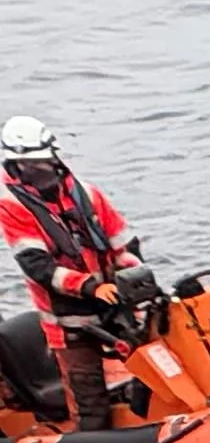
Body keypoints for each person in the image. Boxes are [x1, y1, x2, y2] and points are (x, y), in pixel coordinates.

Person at [3, 119, 150, 427]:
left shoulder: (86, 193)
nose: (40, 171)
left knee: (151, 370)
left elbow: (123, 242)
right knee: (90, 406)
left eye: (44, 163)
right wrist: (89, 287)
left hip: (114, 307)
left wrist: (131, 279)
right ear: (16, 167)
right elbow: (38, 266)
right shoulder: (13, 206)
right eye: (31, 166)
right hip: (68, 323)